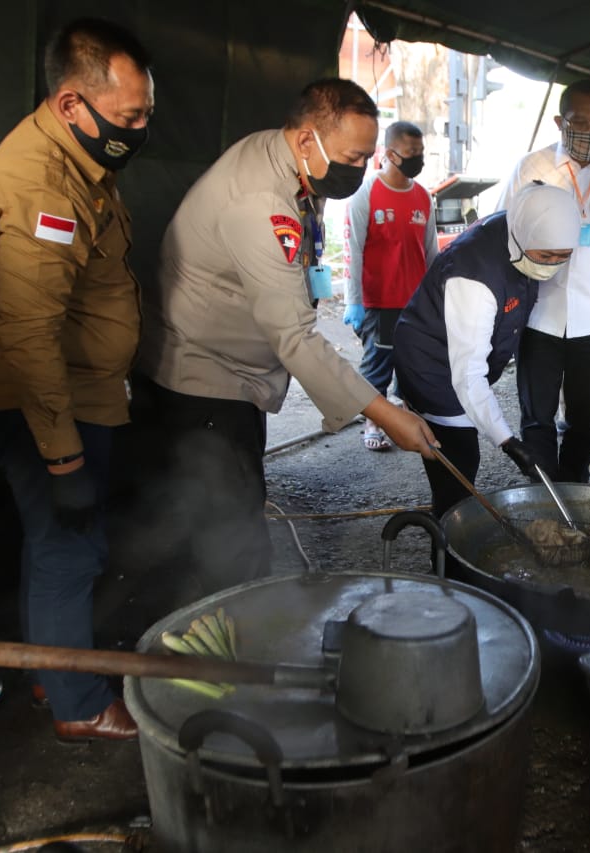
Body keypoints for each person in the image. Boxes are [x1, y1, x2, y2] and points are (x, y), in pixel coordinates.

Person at [133, 79, 437, 597]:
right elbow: (295, 337)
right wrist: (389, 416)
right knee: (228, 534)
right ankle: (221, 647)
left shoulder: (291, 164)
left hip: (236, 370)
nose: (359, 170)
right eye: (353, 157)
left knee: (233, 509)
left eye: (367, 158)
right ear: (306, 141)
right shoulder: (259, 200)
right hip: (203, 376)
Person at [0, 18, 153, 741]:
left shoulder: (76, 160)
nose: (139, 129)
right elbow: (31, 337)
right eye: (128, 115)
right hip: (42, 400)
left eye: (147, 113)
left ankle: (50, 670)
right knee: (71, 545)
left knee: (53, 543)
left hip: (75, 390)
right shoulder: (42, 181)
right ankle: (78, 705)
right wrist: (64, 457)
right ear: (73, 103)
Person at [497, 79, 590, 482]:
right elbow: (501, 234)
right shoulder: (532, 168)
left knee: (585, 422)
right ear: (558, 122)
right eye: (578, 121)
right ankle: (543, 493)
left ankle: (575, 494)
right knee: (537, 417)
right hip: (537, 317)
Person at [394, 184, 581, 516]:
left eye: (561, 257)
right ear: (521, 238)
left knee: (463, 454)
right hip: (432, 365)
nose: (552, 265)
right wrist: (509, 443)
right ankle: (449, 551)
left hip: (461, 358)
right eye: (545, 256)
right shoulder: (474, 277)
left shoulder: (521, 232)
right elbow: (468, 377)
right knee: (459, 460)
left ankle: (451, 525)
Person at [342, 120, 439, 451]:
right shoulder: (365, 194)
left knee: (414, 364)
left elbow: (431, 253)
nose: (417, 159)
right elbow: (352, 250)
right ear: (388, 153)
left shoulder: (424, 198)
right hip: (380, 301)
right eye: (412, 153)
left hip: (415, 302)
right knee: (377, 367)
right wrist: (353, 301)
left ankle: (409, 418)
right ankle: (373, 422)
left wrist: (436, 298)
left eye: (420, 152)